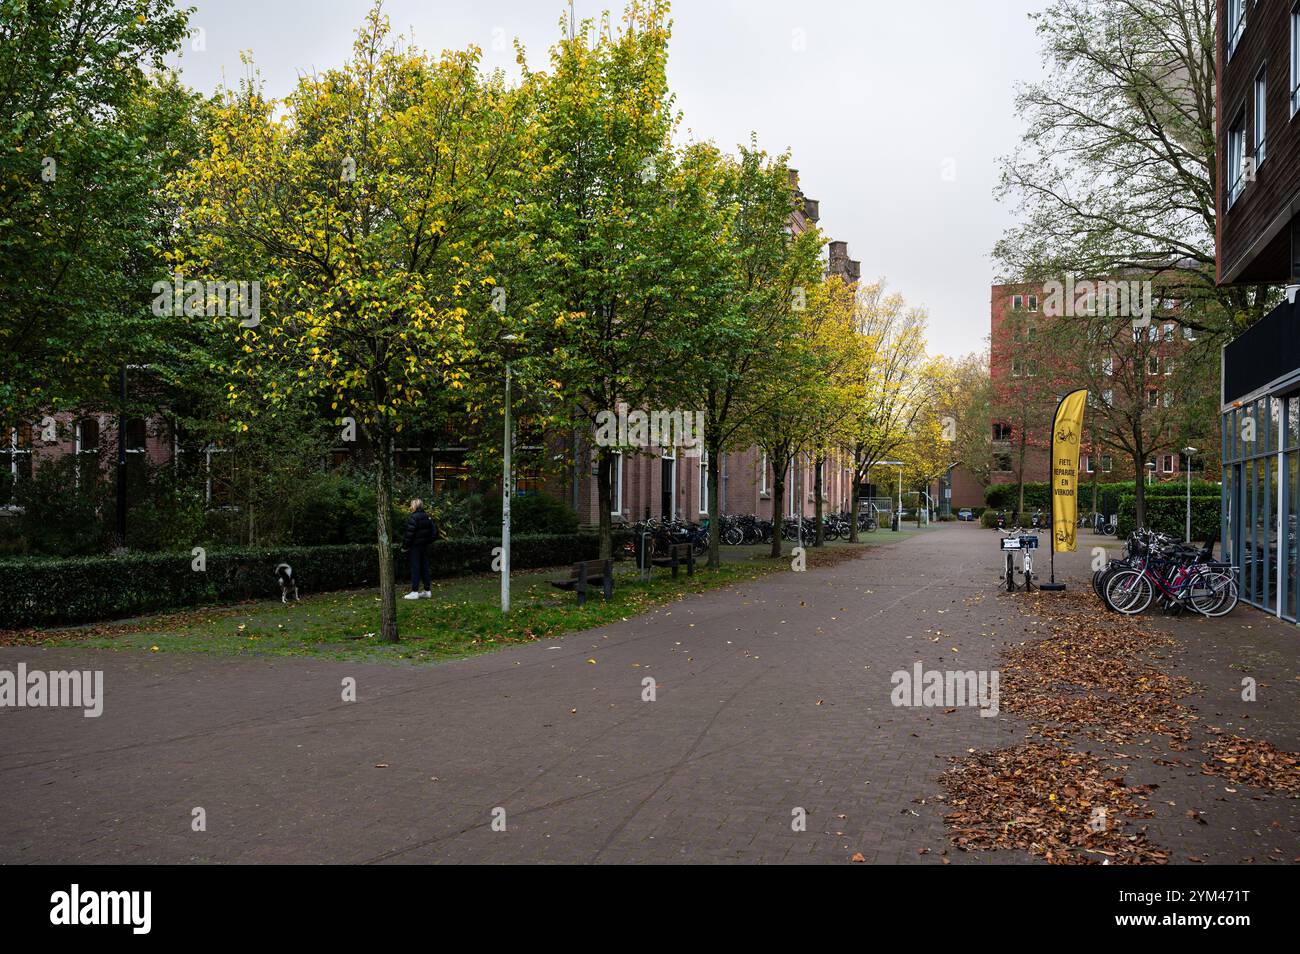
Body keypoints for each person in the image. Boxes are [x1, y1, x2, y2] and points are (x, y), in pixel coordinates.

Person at [402, 499, 436, 600]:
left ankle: (414, 591)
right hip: (424, 547)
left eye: (411, 505)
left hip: (415, 547)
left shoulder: (414, 517)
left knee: (415, 568)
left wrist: (404, 547)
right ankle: (427, 590)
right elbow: (434, 533)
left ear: (415, 506)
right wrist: (427, 541)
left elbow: (409, 535)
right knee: (425, 568)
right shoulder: (427, 517)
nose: (410, 507)